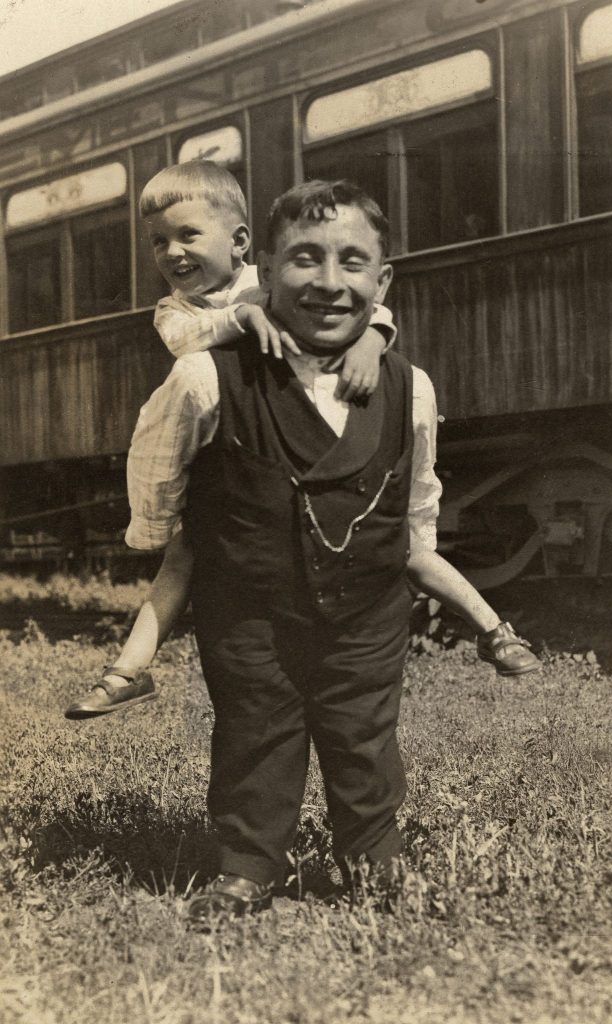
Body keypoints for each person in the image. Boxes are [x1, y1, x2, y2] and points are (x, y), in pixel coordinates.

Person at [123, 180, 536, 921]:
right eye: (304, 260)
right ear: (265, 272)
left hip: (368, 609)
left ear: (382, 283)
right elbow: (157, 463)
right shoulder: (207, 375)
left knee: (363, 736)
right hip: (248, 610)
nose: (327, 282)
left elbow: (417, 496)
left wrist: (411, 555)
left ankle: (373, 859)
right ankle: (249, 864)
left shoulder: (410, 385)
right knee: (256, 728)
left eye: (352, 262)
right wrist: (157, 538)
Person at [65, 162, 396, 719]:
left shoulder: (275, 281)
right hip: (220, 445)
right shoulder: (175, 309)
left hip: (277, 441)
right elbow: (187, 341)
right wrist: (241, 317)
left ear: (242, 242)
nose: (172, 252)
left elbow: (360, 308)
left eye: (188, 235)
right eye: (158, 242)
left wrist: (373, 340)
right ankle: (127, 670)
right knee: (180, 555)